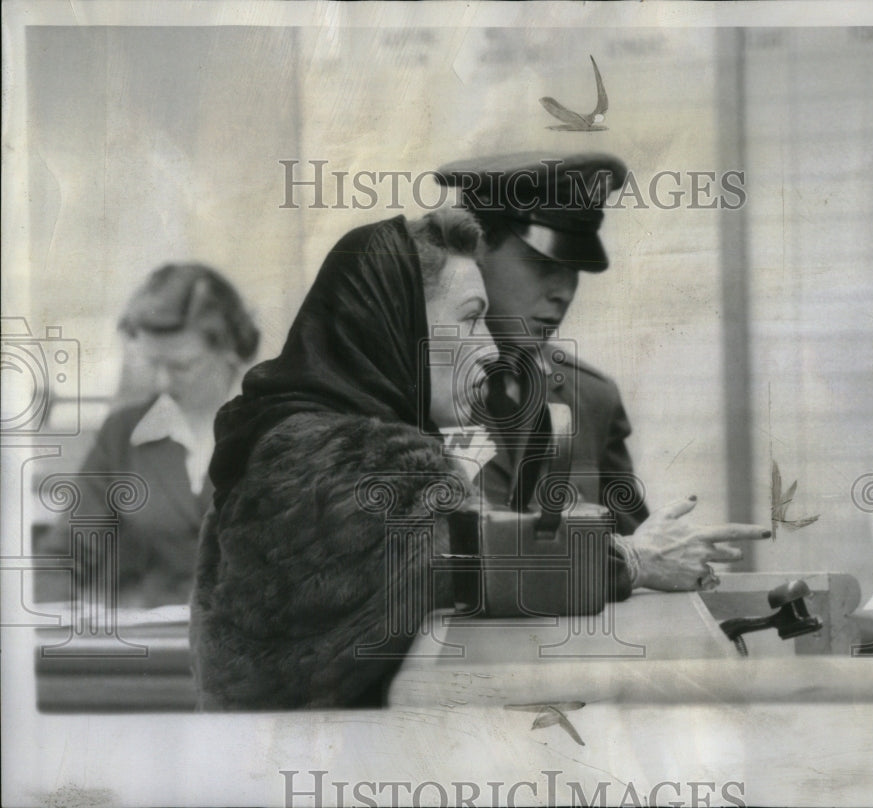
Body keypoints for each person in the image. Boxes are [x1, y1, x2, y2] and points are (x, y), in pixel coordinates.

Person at [190, 210, 498, 709]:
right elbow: (507, 568)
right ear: (397, 323)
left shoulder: (282, 437)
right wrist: (633, 562)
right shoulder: (364, 465)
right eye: (470, 318)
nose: (491, 349)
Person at [435, 153, 771, 592]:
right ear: (474, 252)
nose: (563, 292)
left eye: (573, 270)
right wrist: (629, 558)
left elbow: (648, 552)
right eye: (542, 266)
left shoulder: (589, 398)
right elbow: (432, 566)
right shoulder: (414, 390)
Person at [37, 263, 259, 608]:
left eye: (180, 366)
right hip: (150, 652)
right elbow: (62, 559)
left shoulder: (280, 432)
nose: (163, 383)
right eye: (152, 364)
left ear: (231, 350)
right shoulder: (122, 436)